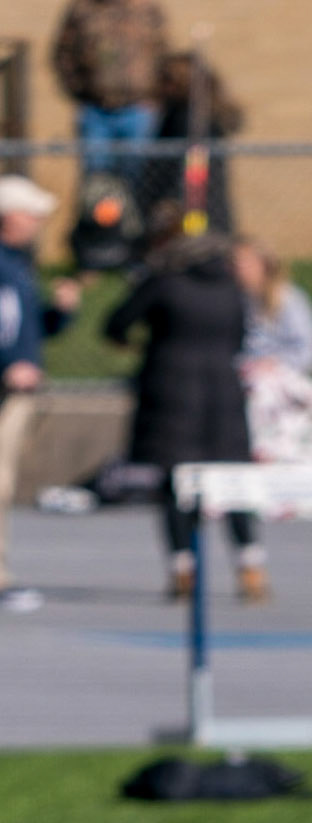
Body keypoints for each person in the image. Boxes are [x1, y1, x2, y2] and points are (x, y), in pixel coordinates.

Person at [103, 202, 268, 601]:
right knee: (232, 481)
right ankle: (250, 565)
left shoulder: (162, 281)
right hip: (223, 394)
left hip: (170, 392)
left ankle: (183, 569)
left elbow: (117, 324)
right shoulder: (230, 286)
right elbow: (240, 338)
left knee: (177, 483)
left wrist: (138, 343)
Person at [0, 175, 80, 613]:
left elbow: (27, 330)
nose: (37, 223)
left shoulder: (18, 264)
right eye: (30, 215)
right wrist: (8, 365)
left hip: (17, 390)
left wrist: (61, 313)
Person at [233, 237, 312, 464]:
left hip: (280, 386)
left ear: (264, 264)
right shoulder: (235, 300)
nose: (238, 269)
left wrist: (275, 365)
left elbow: (310, 349)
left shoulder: (287, 298)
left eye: (244, 262)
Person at [50, 0, 167, 175]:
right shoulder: (83, 8)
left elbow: (163, 54)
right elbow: (63, 54)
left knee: (137, 174)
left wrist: (155, 98)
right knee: (98, 175)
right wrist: (79, 93)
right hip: (96, 110)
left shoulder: (146, 8)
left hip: (138, 110)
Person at [137, 50, 245, 240]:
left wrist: (173, 200)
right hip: (195, 204)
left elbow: (189, 167)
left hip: (196, 203)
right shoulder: (183, 114)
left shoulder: (193, 119)